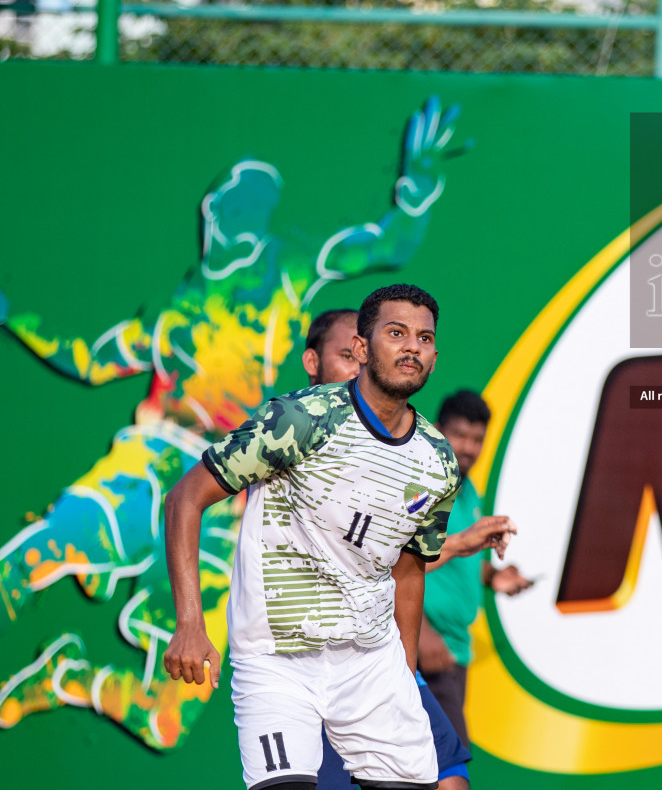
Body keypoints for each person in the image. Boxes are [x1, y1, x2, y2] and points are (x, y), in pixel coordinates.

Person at [0, 99, 462, 749]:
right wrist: (13, 312)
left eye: (252, 205)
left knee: (167, 718)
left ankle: (67, 678)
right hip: (153, 461)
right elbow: (87, 359)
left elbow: (386, 242)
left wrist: (416, 185)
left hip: (229, 507)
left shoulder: (285, 270)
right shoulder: (176, 312)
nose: (232, 214)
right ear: (210, 213)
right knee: (21, 567)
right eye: (228, 201)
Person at [160, 284, 464, 790]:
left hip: (370, 663)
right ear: (363, 349)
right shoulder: (300, 420)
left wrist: (405, 675)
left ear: (433, 357)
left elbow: (409, 570)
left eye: (424, 338)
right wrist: (190, 622)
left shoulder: (438, 461)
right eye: (396, 333)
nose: (412, 346)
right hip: (278, 660)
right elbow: (184, 499)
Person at [297, 311, 515, 790]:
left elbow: (398, 558)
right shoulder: (293, 444)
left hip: (392, 656)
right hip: (323, 662)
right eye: (346, 354)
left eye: (364, 354)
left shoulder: (422, 464)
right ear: (312, 363)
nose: (359, 365)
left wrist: (474, 560)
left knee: (449, 773)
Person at [419, 390, 533, 745]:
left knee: (428, 773)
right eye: (460, 435)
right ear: (437, 432)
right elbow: (388, 563)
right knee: (450, 772)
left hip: (453, 652)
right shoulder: (421, 486)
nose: (468, 447)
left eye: (477, 439)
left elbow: (456, 556)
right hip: (423, 650)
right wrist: (420, 633)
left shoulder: (468, 491)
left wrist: (495, 575)